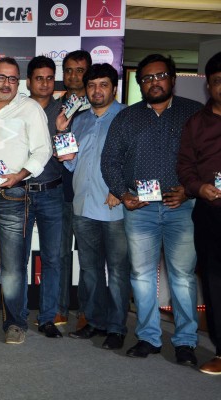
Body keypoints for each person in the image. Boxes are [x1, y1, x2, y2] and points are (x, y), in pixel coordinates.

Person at [101, 54, 202, 365]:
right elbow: (110, 161)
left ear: (172, 78)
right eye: (147, 78)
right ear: (140, 83)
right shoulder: (127, 118)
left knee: (182, 276)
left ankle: (185, 341)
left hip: (181, 207)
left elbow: (209, 157)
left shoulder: (193, 113)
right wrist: (123, 194)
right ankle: (148, 337)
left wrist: (189, 189)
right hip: (140, 210)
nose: (154, 82)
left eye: (160, 76)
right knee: (142, 276)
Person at [0, 57, 51, 344]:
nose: (6, 83)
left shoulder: (30, 109)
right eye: (1, 77)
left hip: (13, 195)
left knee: (13, 266)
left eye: (13, 79)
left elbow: (43, 150)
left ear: (19, 83)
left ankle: (16, 323)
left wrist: (20, 175)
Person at [57, 63, 130, 350]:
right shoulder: (80, 120)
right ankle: (94, 320)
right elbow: (72, 162)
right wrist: (62, 134)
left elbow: (136, 159)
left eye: (103, 85)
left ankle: (116, 328)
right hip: (83, 206)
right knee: (90, 269)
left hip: (114, 207)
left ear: (114, 88)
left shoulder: (128, 117)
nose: (97, 90)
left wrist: (120, 189)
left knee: (118, 271)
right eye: (91, 85)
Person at [177, 51, 221, 375]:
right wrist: (198, 187)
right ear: (209, 85)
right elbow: (185, 166)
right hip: (211, 213)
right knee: (215, 283)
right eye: (218, 81)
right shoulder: (196, 123)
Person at [23, 56, 64, 338]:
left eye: (50, 78)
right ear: (29, 82)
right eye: (39, 78)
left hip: (53, 192)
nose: (45, 83)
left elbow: (71, 151)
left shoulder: (65, 111)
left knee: (52, 259)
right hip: (20, 193)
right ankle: (18, 316)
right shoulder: (17, 109)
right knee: (18, 259)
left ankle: (47, 317)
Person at [58, 50, 92, 329]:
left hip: (87, 193)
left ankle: (86, 311)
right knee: (59, 255)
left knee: (89, 258)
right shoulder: (54, 105)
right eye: (69, 70)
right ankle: (59, 308)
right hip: (58, 192)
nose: (73, 76)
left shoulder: (97, 108)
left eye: (80, 70)